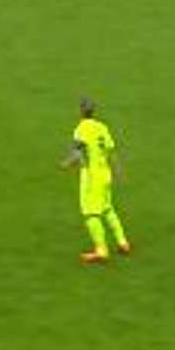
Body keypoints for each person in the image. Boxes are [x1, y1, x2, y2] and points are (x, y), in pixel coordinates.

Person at [60, 97, 131, 264]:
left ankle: (101, 250)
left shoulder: (81, 129)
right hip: (105, 174)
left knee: (90, 213)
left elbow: (77, 152)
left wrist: (66, 164)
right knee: (107, 208)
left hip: (91, 177)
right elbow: (111, 151)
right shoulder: (102, 127)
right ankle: (123, 242)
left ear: (80, 111)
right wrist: (118, 170)